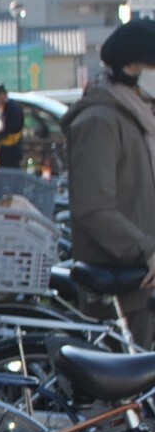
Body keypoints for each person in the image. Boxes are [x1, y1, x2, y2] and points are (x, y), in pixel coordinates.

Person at [61, 18, 155, 346]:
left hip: (139, 269)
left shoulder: (138, 115)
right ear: (131, 67)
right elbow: (94, 206)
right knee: (137, 382)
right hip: (128, 278)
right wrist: (146, 250)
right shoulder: (100, 120)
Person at [0, 82, 25, 170]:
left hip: (10, 153)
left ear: (2, 95)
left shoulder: (11, 108)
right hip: (6, 153)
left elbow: (9, 129)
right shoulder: (5, 107)